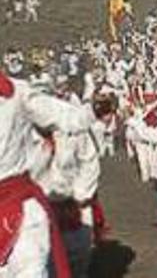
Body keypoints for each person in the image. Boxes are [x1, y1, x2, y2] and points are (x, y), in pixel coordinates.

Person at [0, 68, 93, 277]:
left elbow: (66, 116)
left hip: (21, 207)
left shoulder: (16, 93)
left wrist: (92, 110)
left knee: (32, 269)